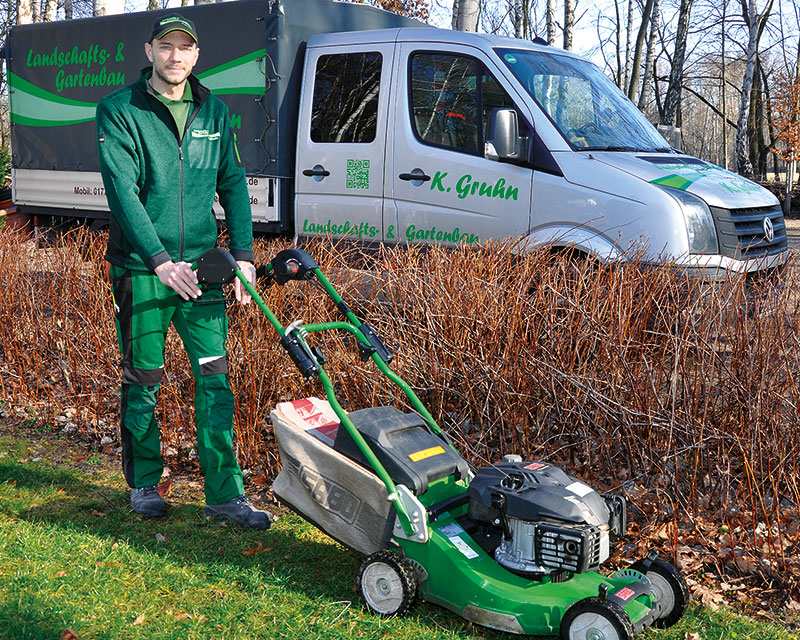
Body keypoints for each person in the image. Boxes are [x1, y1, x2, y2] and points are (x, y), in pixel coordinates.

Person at [96, 14, 272, 529]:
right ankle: (145, 483)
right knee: (144, 377)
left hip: (202, 270)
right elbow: (123, 193)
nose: (177, 57)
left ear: (197, 56)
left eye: (186, 48)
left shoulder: (214, 111)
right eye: (167, 47)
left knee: (214, 379)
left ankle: (224, 495)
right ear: (149, 51)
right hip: (142, 269)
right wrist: (158, 261)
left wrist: (243, 257)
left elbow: (234, 184)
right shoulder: (118, 111)